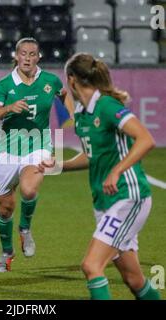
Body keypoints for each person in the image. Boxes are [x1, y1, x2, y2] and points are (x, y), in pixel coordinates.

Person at [39, 52, 161, 300]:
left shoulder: (106, 106)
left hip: (128, 197)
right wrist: (58, 166)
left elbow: (146, 139)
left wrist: (117, 170)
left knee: (92, 266)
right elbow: (91, 156)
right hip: (106, 202)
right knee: (134, 279)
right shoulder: (83, 115)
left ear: (72, 81)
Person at [0, 37, 74, 272]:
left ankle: (25, 229)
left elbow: (64, 94)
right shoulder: (5, 85)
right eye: (23, 53)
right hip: (7, 150)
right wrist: (8, 108)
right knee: (5, 207)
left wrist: (72, 117)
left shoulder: (50, 80)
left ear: (38, 57)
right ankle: (7, 252)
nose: (27, 58)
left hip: (38, 146)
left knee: (29, 189)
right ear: (16, 56)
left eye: (32, 54)